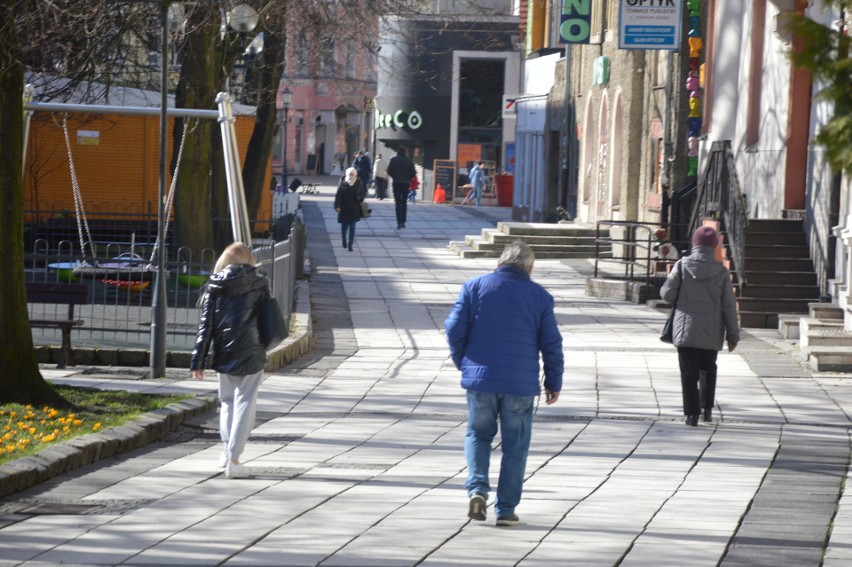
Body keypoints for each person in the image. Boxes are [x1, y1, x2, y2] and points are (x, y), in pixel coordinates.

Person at [445, 241, 564, 527]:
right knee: (516, 446)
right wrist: (553, 381)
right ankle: (506, 510)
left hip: (481, 380)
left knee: (478, 434)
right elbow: (552, 344)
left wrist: (464, 363)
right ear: (530, 268)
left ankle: (477, 491)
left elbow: (453, 328)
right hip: (520, 384)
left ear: (500, 262)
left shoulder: (473, 287)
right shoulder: (540, 297)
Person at [190, 242, 270, 479]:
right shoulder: (259, 283)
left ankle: (226, 451)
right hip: (252, 351)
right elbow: (267, 319)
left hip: (224, 351)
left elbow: (206, 326)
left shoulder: (215, 285)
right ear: (249, 259)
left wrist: (198, 359)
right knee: (246, 401)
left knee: (227, 401)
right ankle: (235, 459)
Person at [660, 226, 740, 426]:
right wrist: (733, 335)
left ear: (694, 244)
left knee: (688, 372)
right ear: (714, 246)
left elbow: (667, 294)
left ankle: (691, 414)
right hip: (711, 331)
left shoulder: (682, 265)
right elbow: (729, 305)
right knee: (708, 368)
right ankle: (707, 410)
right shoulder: (721, 272)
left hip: (685, 328)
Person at [334, 167, 365, 252]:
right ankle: (344, 239)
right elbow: (338, 195)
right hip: (344, 208)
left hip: (354, 208)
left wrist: (358, 197)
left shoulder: (358, 182)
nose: (351, 176)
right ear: (347, 175)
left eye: (353, 175)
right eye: (349, 175)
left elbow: (362, 195)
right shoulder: (343, 181)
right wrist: (337, 206)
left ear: (355, 175)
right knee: (344, 227)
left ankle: (350, 244)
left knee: (352, 228)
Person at [386, 146, 416, 229]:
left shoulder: (393, 160)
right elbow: (413, 173)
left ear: (398, 151)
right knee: (404, 202)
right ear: (405, 151)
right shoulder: (409, 160)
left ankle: (399, 222)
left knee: (397, 203)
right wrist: (407, 178)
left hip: (396, 183)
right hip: (405, 183)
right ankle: (403, 221)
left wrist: (394, 177)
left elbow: (389, 171)